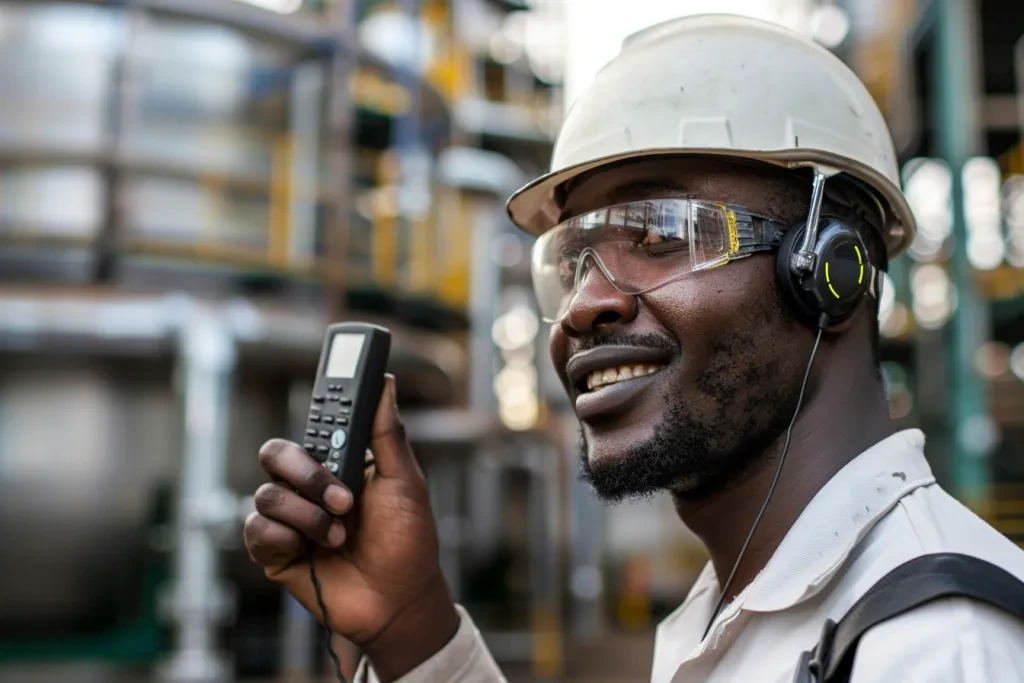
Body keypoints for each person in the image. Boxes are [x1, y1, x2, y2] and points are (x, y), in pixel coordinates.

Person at [243, 14, 1024, 683]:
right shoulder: (740, 611)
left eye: (657, 234)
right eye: (570, 260)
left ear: (831, 269)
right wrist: (409, 623)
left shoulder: (930, 646)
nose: (583, 305)